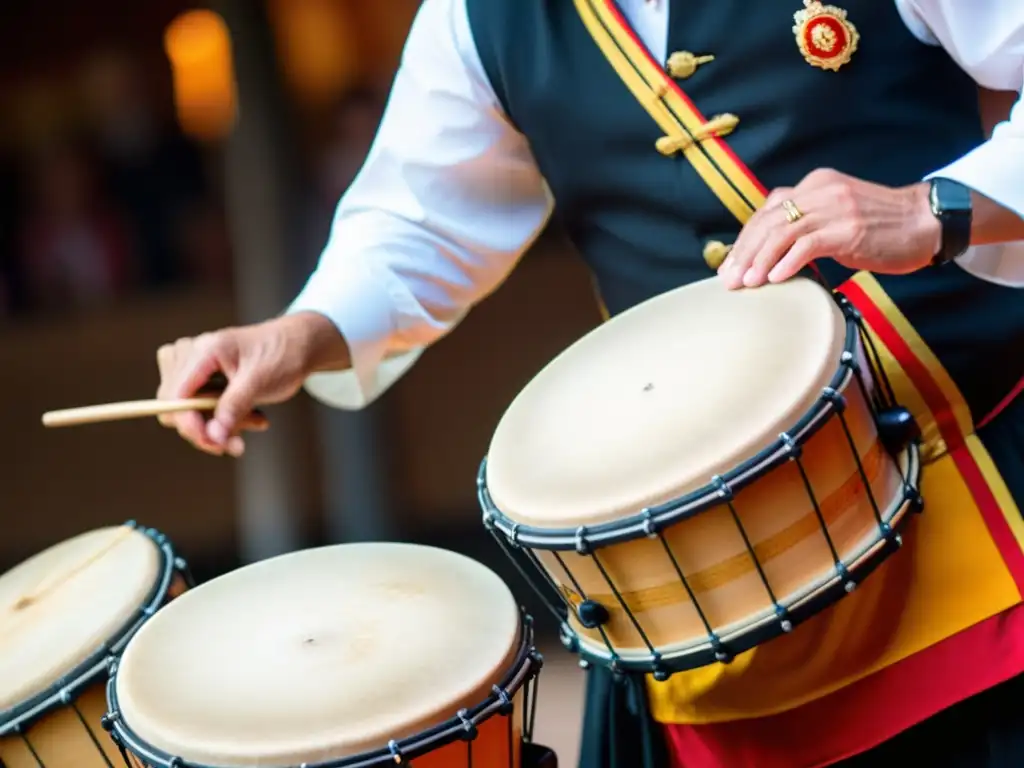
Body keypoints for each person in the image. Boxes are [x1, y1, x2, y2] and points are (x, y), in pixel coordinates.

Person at [155, 1, 1024, 766]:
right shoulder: (481, 16)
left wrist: (932, 207)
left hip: (970, 460)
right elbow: (414, 224)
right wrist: (297, 335)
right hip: (694, 553)